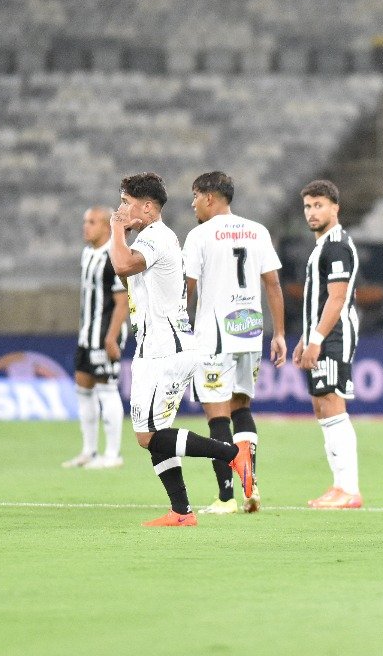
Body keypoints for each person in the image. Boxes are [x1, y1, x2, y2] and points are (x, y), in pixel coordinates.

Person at [109, 172, 254, 527]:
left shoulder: (156, 238)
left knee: (148, 435)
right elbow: (128, 274)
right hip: (152, 347)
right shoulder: (150, 239)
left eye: (126, 203)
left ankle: (233, 453)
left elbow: (122, 265)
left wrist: (115, 229)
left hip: (165, 350)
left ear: (147, 207)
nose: (121, 209)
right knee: (153, 434)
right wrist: (124, 235)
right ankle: (181, 511)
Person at [182, 171, 287, 515]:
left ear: (210, 197)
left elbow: (189, 287)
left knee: (216, 414)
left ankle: (226, 496)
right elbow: (272, 284)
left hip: (214, 335)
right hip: (249, 330)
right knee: (242, 407)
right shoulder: (257, 230)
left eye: (196, 196)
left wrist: (180, 330)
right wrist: (281, 334)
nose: (193, 203)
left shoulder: (199, 235)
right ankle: (249, 481)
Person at [292, 180, 364, 509]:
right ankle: (338, 486)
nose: (312, 212)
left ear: (335, 207)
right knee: (322, 406)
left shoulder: (336, 245)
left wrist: (318, 339)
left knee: (332, 402)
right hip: (321, 334)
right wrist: (306, 338)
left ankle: (349, 489)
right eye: (308, 206)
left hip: (334, 335)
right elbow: (317, 300)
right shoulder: (322, 245)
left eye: (319, 205)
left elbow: (336, 299)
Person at [63, 206, 129, 470]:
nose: (86, 227)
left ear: (105, 226)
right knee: (83, 388)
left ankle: (112, 454)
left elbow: (122, 302)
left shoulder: (115, 255)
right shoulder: (87, 253)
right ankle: (89, 451)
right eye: (85, 221)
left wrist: (111, 338)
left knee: (107, 389)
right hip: (86, 335)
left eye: (91, 222)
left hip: (105, 335)